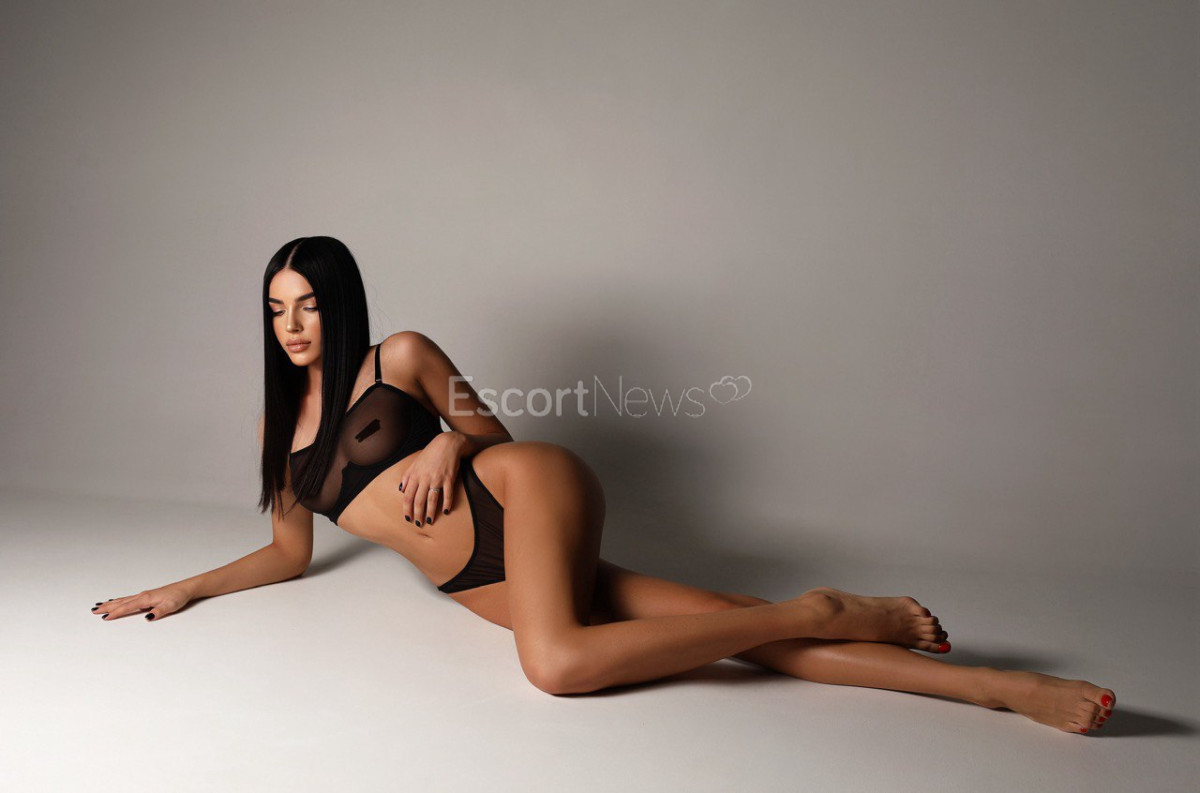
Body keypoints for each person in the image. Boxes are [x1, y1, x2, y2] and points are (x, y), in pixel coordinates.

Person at [92, 236, 1115, 734]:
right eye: (277, 309)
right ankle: (1001, 687)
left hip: (523, 490)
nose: (292, 325)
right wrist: (182, 588)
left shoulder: (398, 356)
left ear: (340, 304)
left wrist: (451, 446)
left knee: (556, 666)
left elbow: (493, 431)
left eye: (309, 304)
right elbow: (289, 551)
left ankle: (819, 606)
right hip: (479, 579)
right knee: (735, 628)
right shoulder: (277, 430)